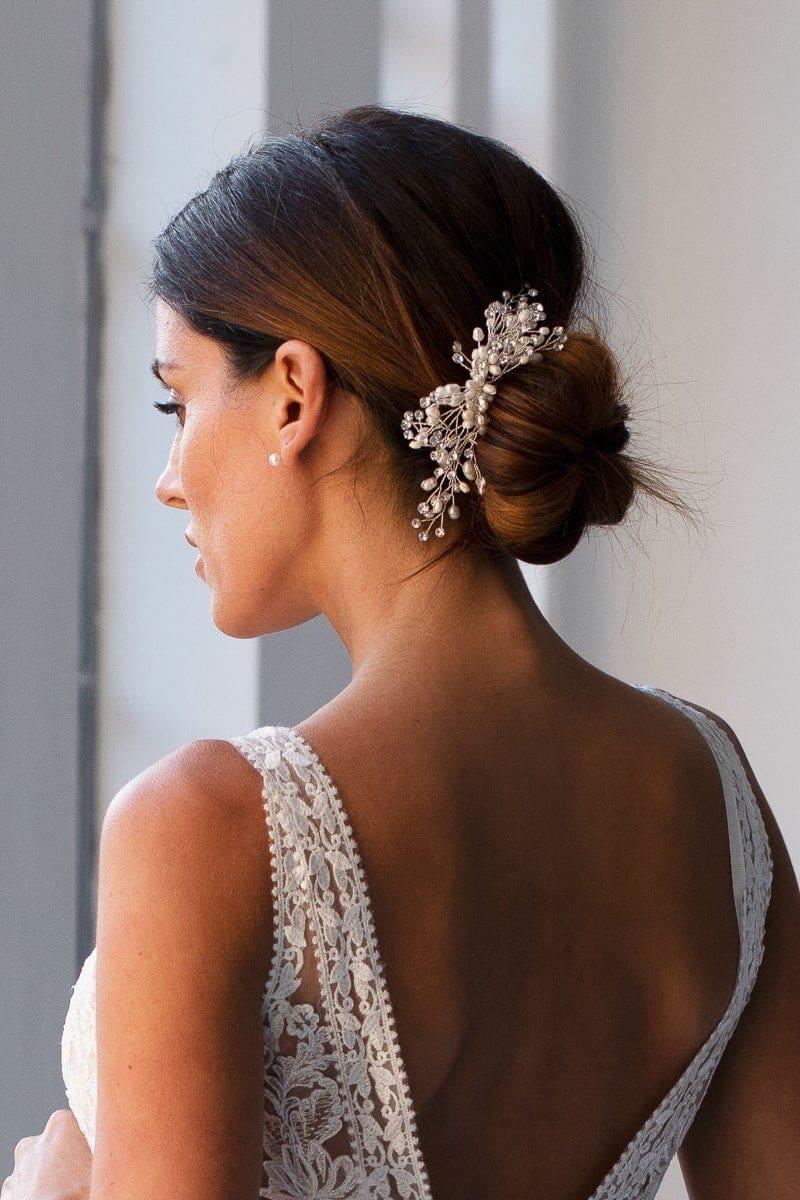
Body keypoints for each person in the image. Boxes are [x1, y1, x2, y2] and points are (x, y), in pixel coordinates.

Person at [5, 104, 799, 1200]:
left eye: (174, 397)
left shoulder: (208, 829)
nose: (169, 474)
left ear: (294, 392)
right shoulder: (714, 797)